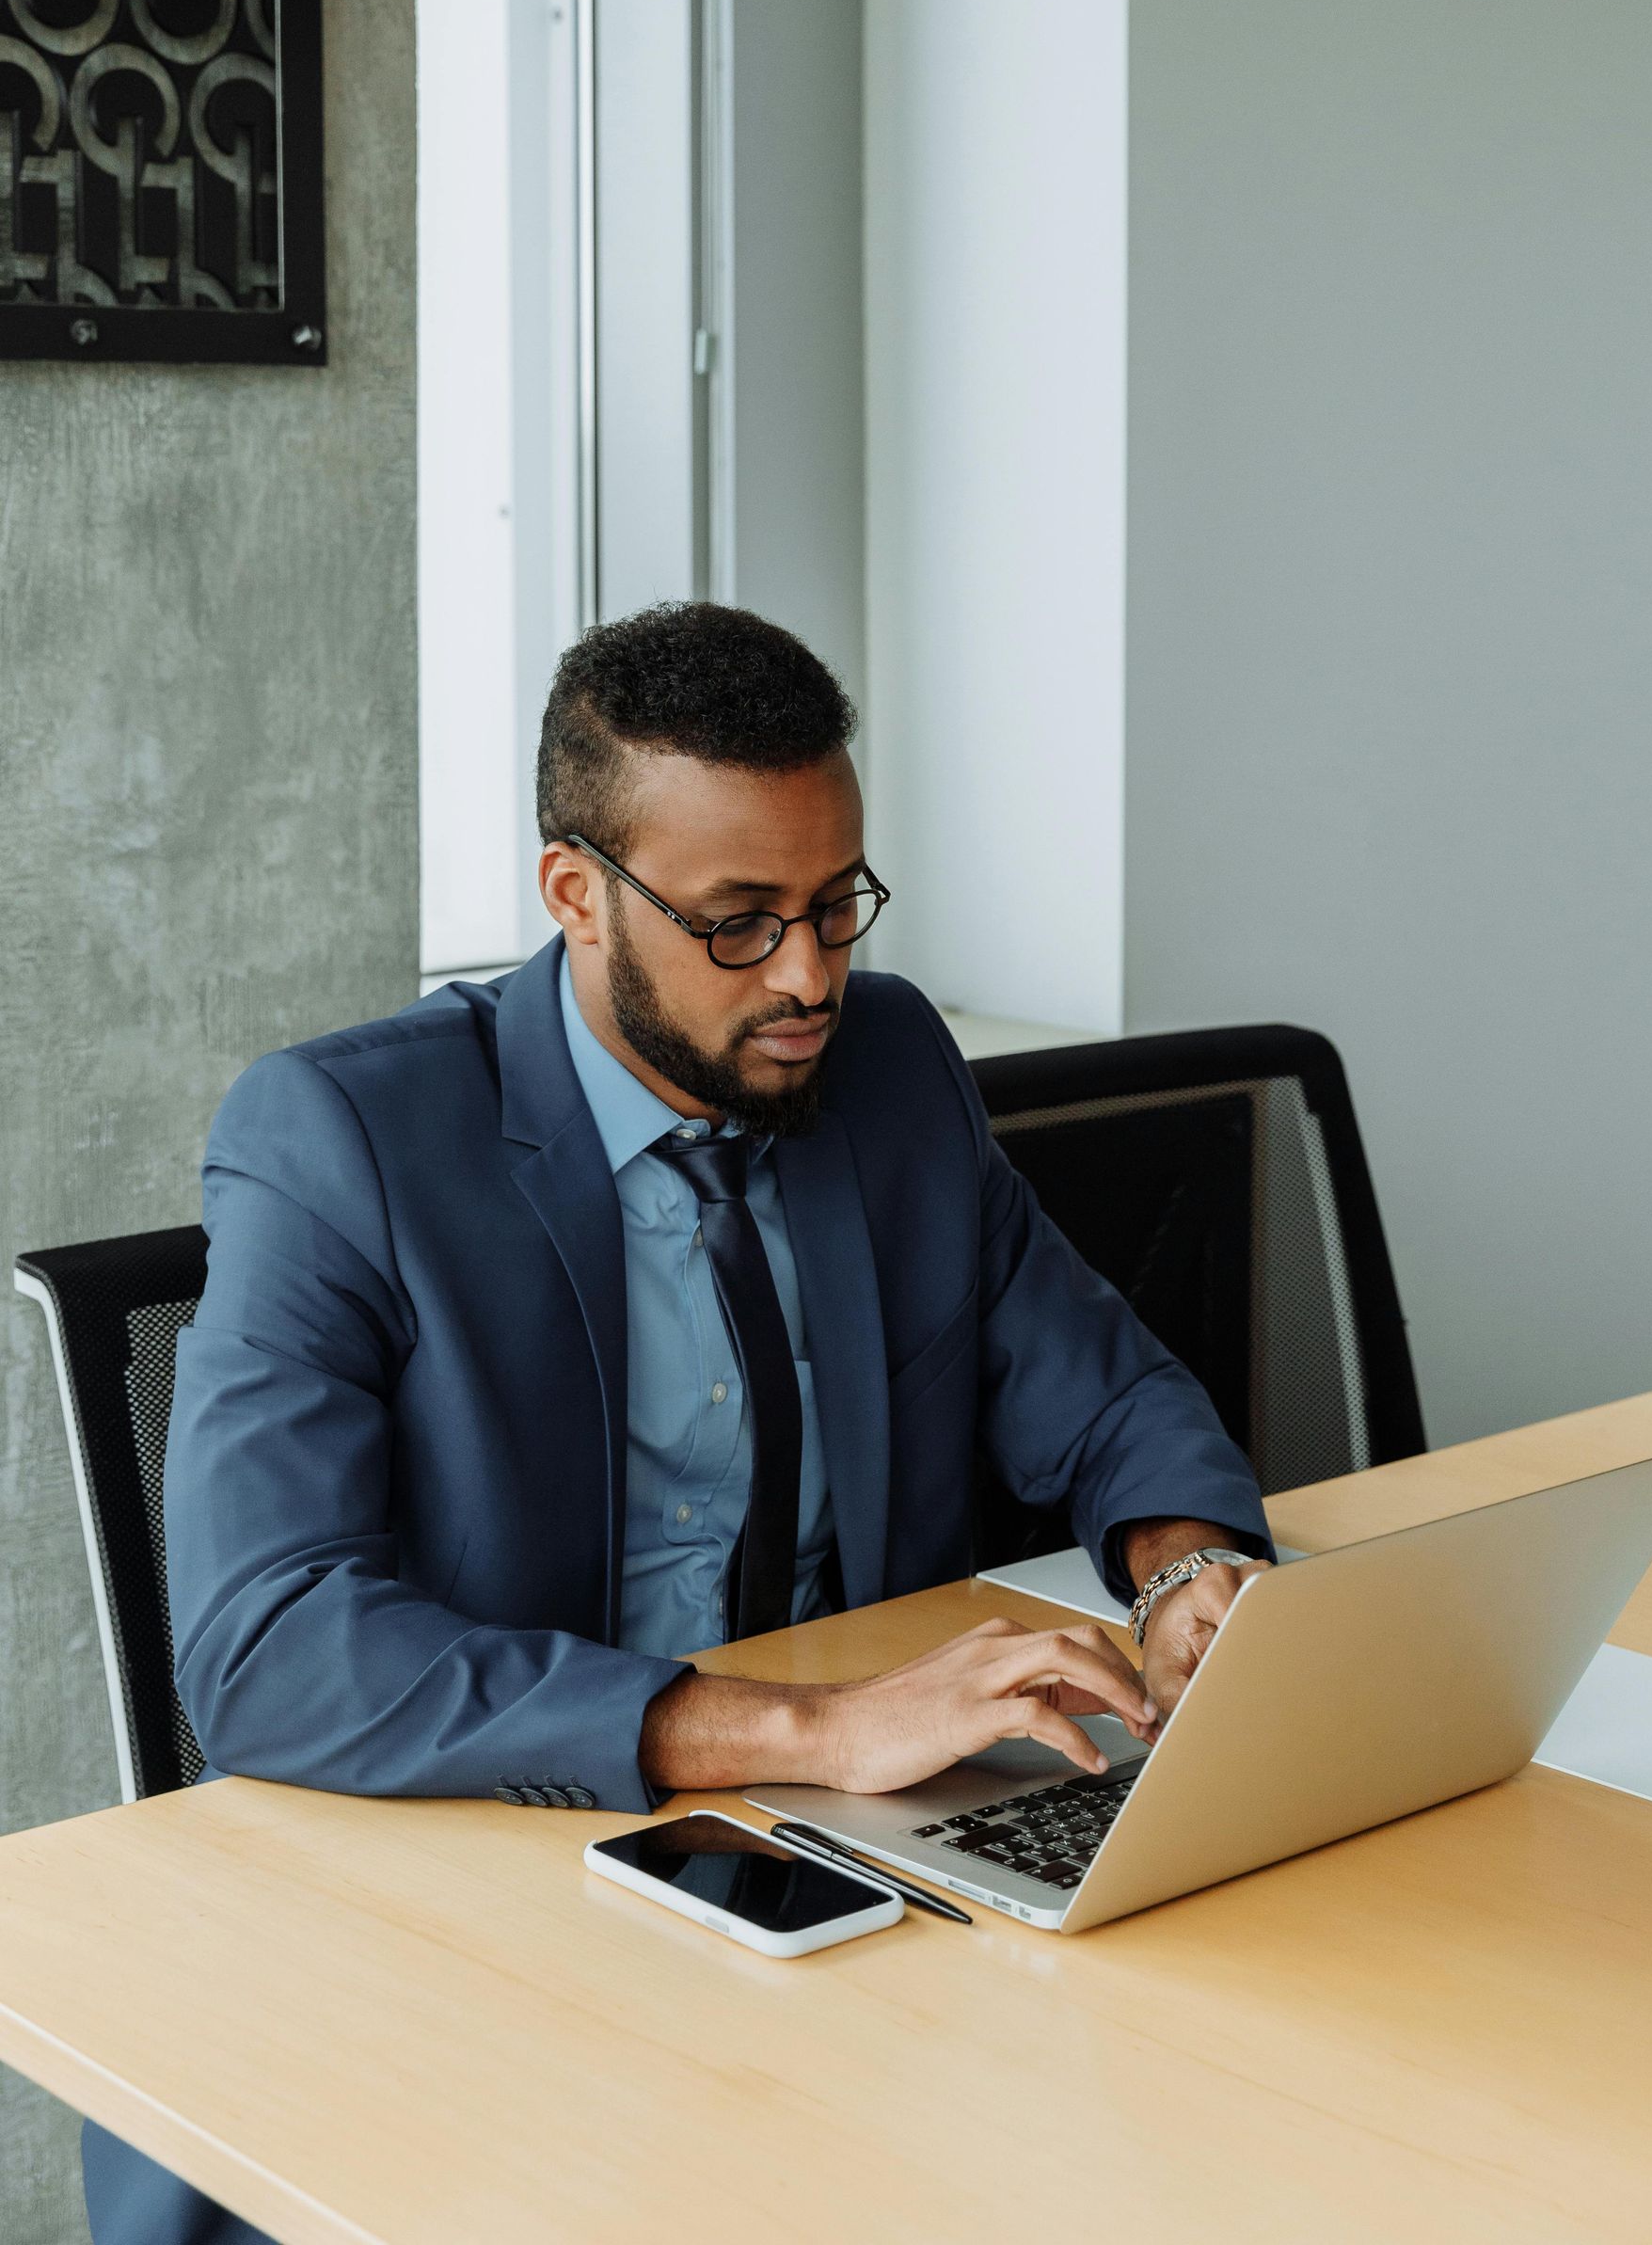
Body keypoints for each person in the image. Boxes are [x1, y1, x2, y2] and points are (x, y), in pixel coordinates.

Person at [87, 601, 1270, 2245]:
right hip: (493, 1893)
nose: (809, 976)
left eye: (836, 904)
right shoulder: (341, 1138)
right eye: (739, 923)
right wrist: (813, 1730)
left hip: (845, 1894)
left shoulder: (892, 1068)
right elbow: (267, 1646)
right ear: (577, 892)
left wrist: (1186, 1572)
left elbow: (1105, 1390)